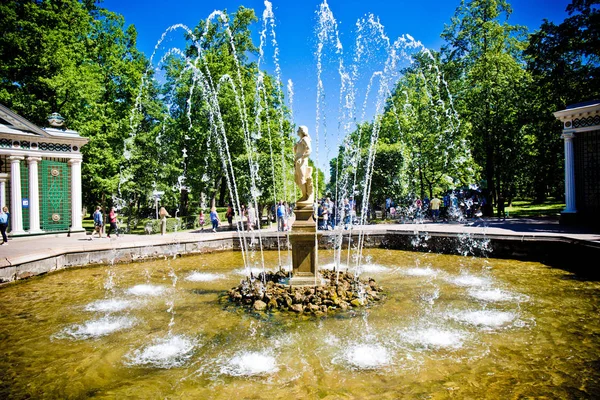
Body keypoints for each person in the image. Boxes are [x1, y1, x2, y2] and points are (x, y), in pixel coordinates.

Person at [293, 126, 314, 203]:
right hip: (297, 161)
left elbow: (309, 150)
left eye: (298, 130)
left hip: (301, 162)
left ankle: (305, 196)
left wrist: (301, 158)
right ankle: (304, 195)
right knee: (297, 179)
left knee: (301, 179)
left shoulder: (305, 139)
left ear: (302, 131)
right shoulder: (300, 140)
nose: (297, 131)